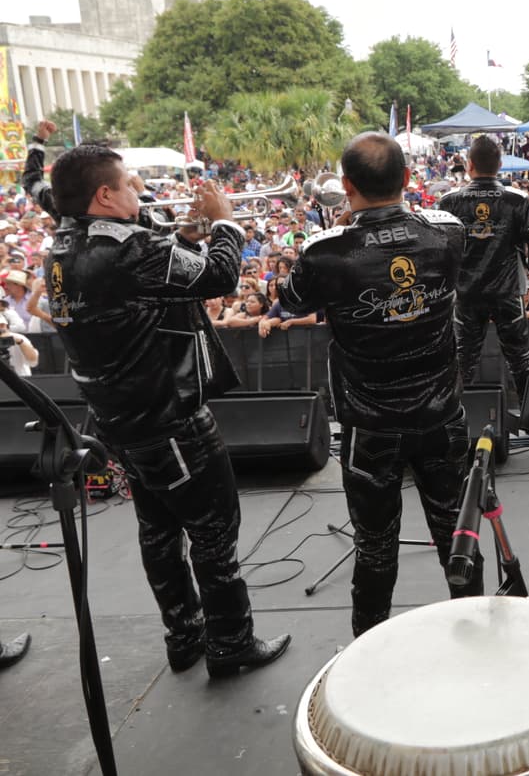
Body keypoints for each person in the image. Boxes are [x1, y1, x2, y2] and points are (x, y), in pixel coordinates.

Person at [23, 120, 290, 676]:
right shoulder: (128, 251)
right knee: (213, 531)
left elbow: (37, 185)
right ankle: (230, 643)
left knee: (159, 530)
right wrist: (223, 222)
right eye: (128, 184)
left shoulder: (66, 229)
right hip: (168, 421)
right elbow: (218, 276)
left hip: (119, 419)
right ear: (103, 195)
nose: (138, 190)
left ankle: (183, 635)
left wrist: (36, 148)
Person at [277, 132, 482, 637]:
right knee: (458, 537)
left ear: (346, 186)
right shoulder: (448, 232)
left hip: (370, 425)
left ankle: (367, 653)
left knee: (374, 547)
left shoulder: (326, 252)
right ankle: (480, 640)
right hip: (440, 416)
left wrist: (342, 229)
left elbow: (290, 298)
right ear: (408, 179)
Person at [439, 135, 529, 404]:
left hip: (466, 293)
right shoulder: (517, 200)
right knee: (520, 359)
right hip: (507, 291)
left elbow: (437, 248)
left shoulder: (449, 201)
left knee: (463, 359)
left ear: (469, 165)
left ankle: (454, 425)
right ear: (500, 165)